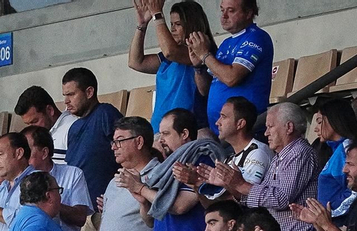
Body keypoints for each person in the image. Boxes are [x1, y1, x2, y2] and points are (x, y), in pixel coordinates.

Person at [213, 102, 315, 231]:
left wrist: (242, 185)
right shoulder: (281, 156)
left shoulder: (299, 153)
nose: (266, 133)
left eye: (270, 127)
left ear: (289, 127)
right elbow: (265, 197)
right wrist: (233, 186)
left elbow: (281, 199)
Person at [128, 0, 210, 128]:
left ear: (192, 25)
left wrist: (157, 15)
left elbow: (170, 52)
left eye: (178, 24)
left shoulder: (197, 51)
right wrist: (142, 25)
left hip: (183, 131)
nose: (172, 29)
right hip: (159, 130)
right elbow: (136, 62)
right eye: (171, 24)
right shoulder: (168, 57)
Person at [193, 0, 271, 133]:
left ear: (248, 13)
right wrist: (198, 67)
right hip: (220, 132)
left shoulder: (256, 37)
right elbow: (204, 90)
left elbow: (231, 78)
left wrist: (205, 55)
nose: (224, 16)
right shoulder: (226, 43)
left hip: (244, 131)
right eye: (222, 10)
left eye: (231, 11)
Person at [61, 67, 121, 199]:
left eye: (71, 94)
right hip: (78, 207)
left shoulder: (106, 114)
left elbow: (128, 155)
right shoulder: (73, 128)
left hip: (102, 205)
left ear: (89, 92)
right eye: (65, 96)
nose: (66, 101)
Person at [15, 85, 76, 165]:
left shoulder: (72, 127)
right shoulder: (35, 135)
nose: (32, 128)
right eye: (28, 124)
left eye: (35, 121)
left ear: (50, 110)